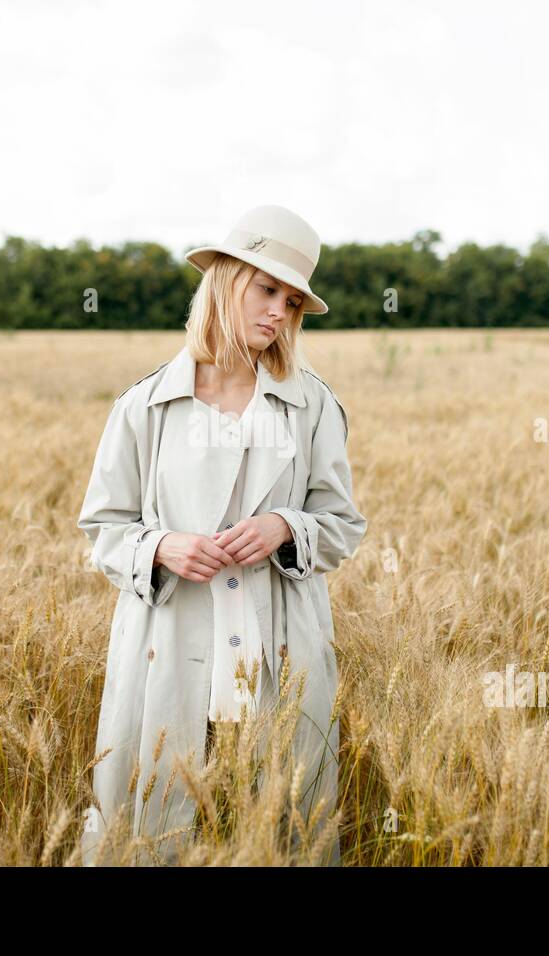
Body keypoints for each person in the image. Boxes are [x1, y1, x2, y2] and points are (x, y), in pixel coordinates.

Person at [77, 204, 368, 865]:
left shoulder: (312, 403)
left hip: (277, 656)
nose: (277, 313)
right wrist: (160, 547)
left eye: (292, 302)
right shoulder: (144, 405)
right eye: (267, 290)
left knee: (282, 829)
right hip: (170, 649)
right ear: (225, 280)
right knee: (154, 832)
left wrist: (284, 527)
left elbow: (343, 524)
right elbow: (104, 526)